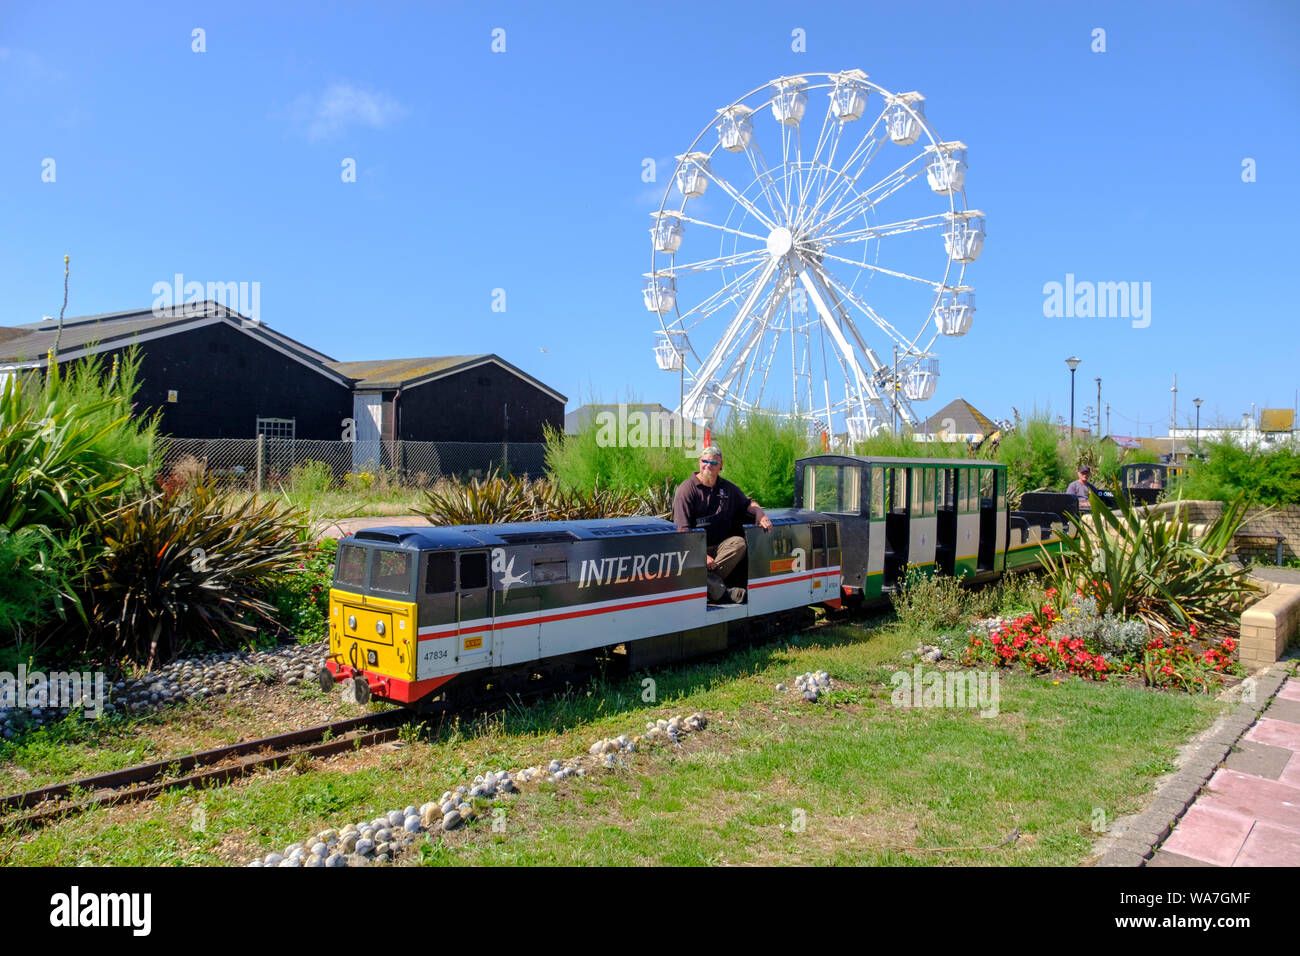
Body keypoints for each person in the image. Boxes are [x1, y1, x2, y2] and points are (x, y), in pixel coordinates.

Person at [672, 445, 773, 603]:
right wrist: (701, 555)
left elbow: (748, 503)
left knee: (738, 543)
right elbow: (682, 532)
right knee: (691, 560)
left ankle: (708, 586)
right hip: (691, 550)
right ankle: (721, 593)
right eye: (705, 461)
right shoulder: (686, 490)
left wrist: (760, 513)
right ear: (699, 462)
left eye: (713, 463)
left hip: (719, 550)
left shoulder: (727, 488)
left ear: (721, 466)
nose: (708, 466)